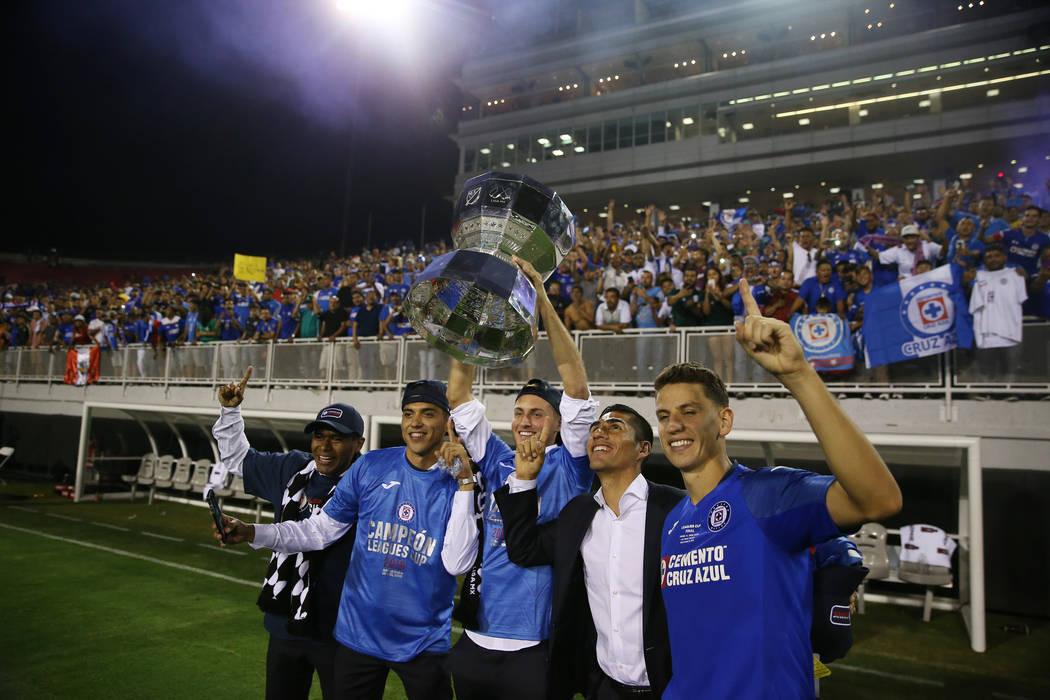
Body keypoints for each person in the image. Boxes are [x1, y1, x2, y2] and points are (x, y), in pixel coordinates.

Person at [654, 280, 902, 699]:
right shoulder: (675, 522)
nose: (673, 425)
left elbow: (879, 499)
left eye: (689, 412)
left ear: (724, 422)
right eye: (663, 415)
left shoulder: (767, 494)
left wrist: (798, 375)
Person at [216, 380, 476, 700]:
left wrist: (465, 481)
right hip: (322, 629)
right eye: (409, 412)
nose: (325, 446)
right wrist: (253, 531)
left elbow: (456, 561)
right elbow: (316, 529)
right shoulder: (323, 468)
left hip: (385, 636)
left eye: (337, 438)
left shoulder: (424, 475)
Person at [443, 255, 598, 700]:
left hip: (536, 646)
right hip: (475, 637)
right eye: (518, 413)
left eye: (537, 413)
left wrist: (543, 301)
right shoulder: (496, 460)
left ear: (557, 423)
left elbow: (575, 385)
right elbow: (458, 394)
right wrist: (473, 309)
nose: (525, 421)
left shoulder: (572, 465)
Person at [494, 404, 683, 699]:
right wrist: (525, 478)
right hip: (603, 686)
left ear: (642, 449)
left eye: (614, 427)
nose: (599, 433)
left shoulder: (675, 508)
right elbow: (524, 549)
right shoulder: (578, 513)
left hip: (671, 685)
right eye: (595, 429)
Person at [209, 367, 365, 700]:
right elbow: (238, 458)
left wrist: (251, 531)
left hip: (341, 629)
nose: (324, 446)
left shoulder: (370, 482)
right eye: (318, 435)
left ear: (358, 444)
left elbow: (313, 533)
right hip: (285, 623)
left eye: (336, 437)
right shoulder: (293, 468)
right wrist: (231, 411)